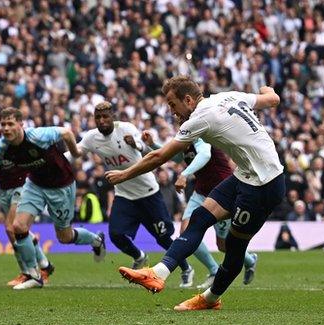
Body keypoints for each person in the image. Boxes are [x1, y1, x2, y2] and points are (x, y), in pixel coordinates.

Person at [106, 76, 285, 311]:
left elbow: (160, 157)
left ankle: (210, 299)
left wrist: (124, 174)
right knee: (200, 217)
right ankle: (158, 273)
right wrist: (267, 88)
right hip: (244, 175)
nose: (172, 111)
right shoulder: (229, 96)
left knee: (233, 245)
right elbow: (273, 98)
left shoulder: (201, 117)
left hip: (264, 185)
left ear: (188, 100)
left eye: (172, 104)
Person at [0, 107, 105, 290]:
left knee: (65, 237)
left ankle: (96, 240)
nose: (6, 128)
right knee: (18, 226)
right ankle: (34, 275)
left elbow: (67, 133)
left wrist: (75, 153)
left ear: (20, 124)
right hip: (35, 184)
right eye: (3, 124)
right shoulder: (1, 147)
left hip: (61, 186)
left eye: (10, 124)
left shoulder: (38, 136)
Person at [76, 102, 193, 286]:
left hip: (148, 193)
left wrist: (136, 144)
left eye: (105, 116)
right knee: (115, 234)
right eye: (98, 117)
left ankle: (186, 268)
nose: (102, 120)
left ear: (112, 116)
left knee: (163, 238)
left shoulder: (125, 129)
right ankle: (139, 256)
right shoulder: (91, 138)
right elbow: (76, 151)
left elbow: (142, 146)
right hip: (124, 195)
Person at [142, 133, 259, 289]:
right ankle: (213, 269)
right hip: (200, 193)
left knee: (223, 246)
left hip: (222, 195)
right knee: (186, 232)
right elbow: (177, 158)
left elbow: (205, 154)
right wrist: (153, 144)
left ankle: (250, 260)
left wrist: (184, 174)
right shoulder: (185, 139)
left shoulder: (201, 135)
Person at [0, 108, 54, 286]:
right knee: (17, 231)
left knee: (10, 227)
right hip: (4, 187)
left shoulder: (9, 136)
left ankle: (28, 272)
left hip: (24, 184)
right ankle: (45, 265)